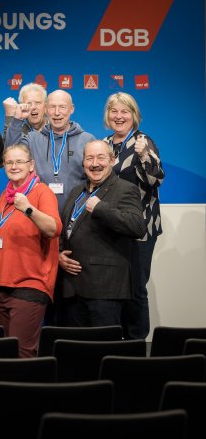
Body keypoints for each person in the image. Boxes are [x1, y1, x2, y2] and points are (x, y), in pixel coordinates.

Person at [58, 140, 146, 328]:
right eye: (89, 158)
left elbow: (137, 226)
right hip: (72, 289)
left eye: (101, 157)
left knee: (104, 349)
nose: (95, 163)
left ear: (112, 160)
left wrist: (100, 208)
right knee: (76, 350)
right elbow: (65, 230)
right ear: (83, 163)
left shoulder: (125, 189)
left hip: (105, 289)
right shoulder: (76, 192)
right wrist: (59, 255)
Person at [102, 92, 164, 340]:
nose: (119, 116)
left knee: (137, 289)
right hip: (112, 226)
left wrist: (144, 156)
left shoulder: (143, 141)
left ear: (134, 115)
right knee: (115, 288)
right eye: (114, 111)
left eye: (124, 111)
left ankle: (137, 343)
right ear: (108, 115)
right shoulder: (104, 143)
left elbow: (156, 179)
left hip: (141, 227)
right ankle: (117, 341)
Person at [0, 144, 61, 357]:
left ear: (31, 165)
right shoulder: (5, 195)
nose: (14, 166)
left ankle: (25, 391)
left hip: (29, 284)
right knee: (7, 352)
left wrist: (29, 209)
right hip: (1, 285)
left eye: (19, 161)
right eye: (9, 162)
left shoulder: (42, 192)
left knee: (23, 352)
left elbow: (53, 229)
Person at [5, 89, 95, 210]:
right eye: (52, 107)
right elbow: (10, 154)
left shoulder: (87, 140)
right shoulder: (33, 138)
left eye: (62, 107)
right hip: (38, 213)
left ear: (71, 109)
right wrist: (17, 120)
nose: (57, 113)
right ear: (46, 109)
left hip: (76, 214)